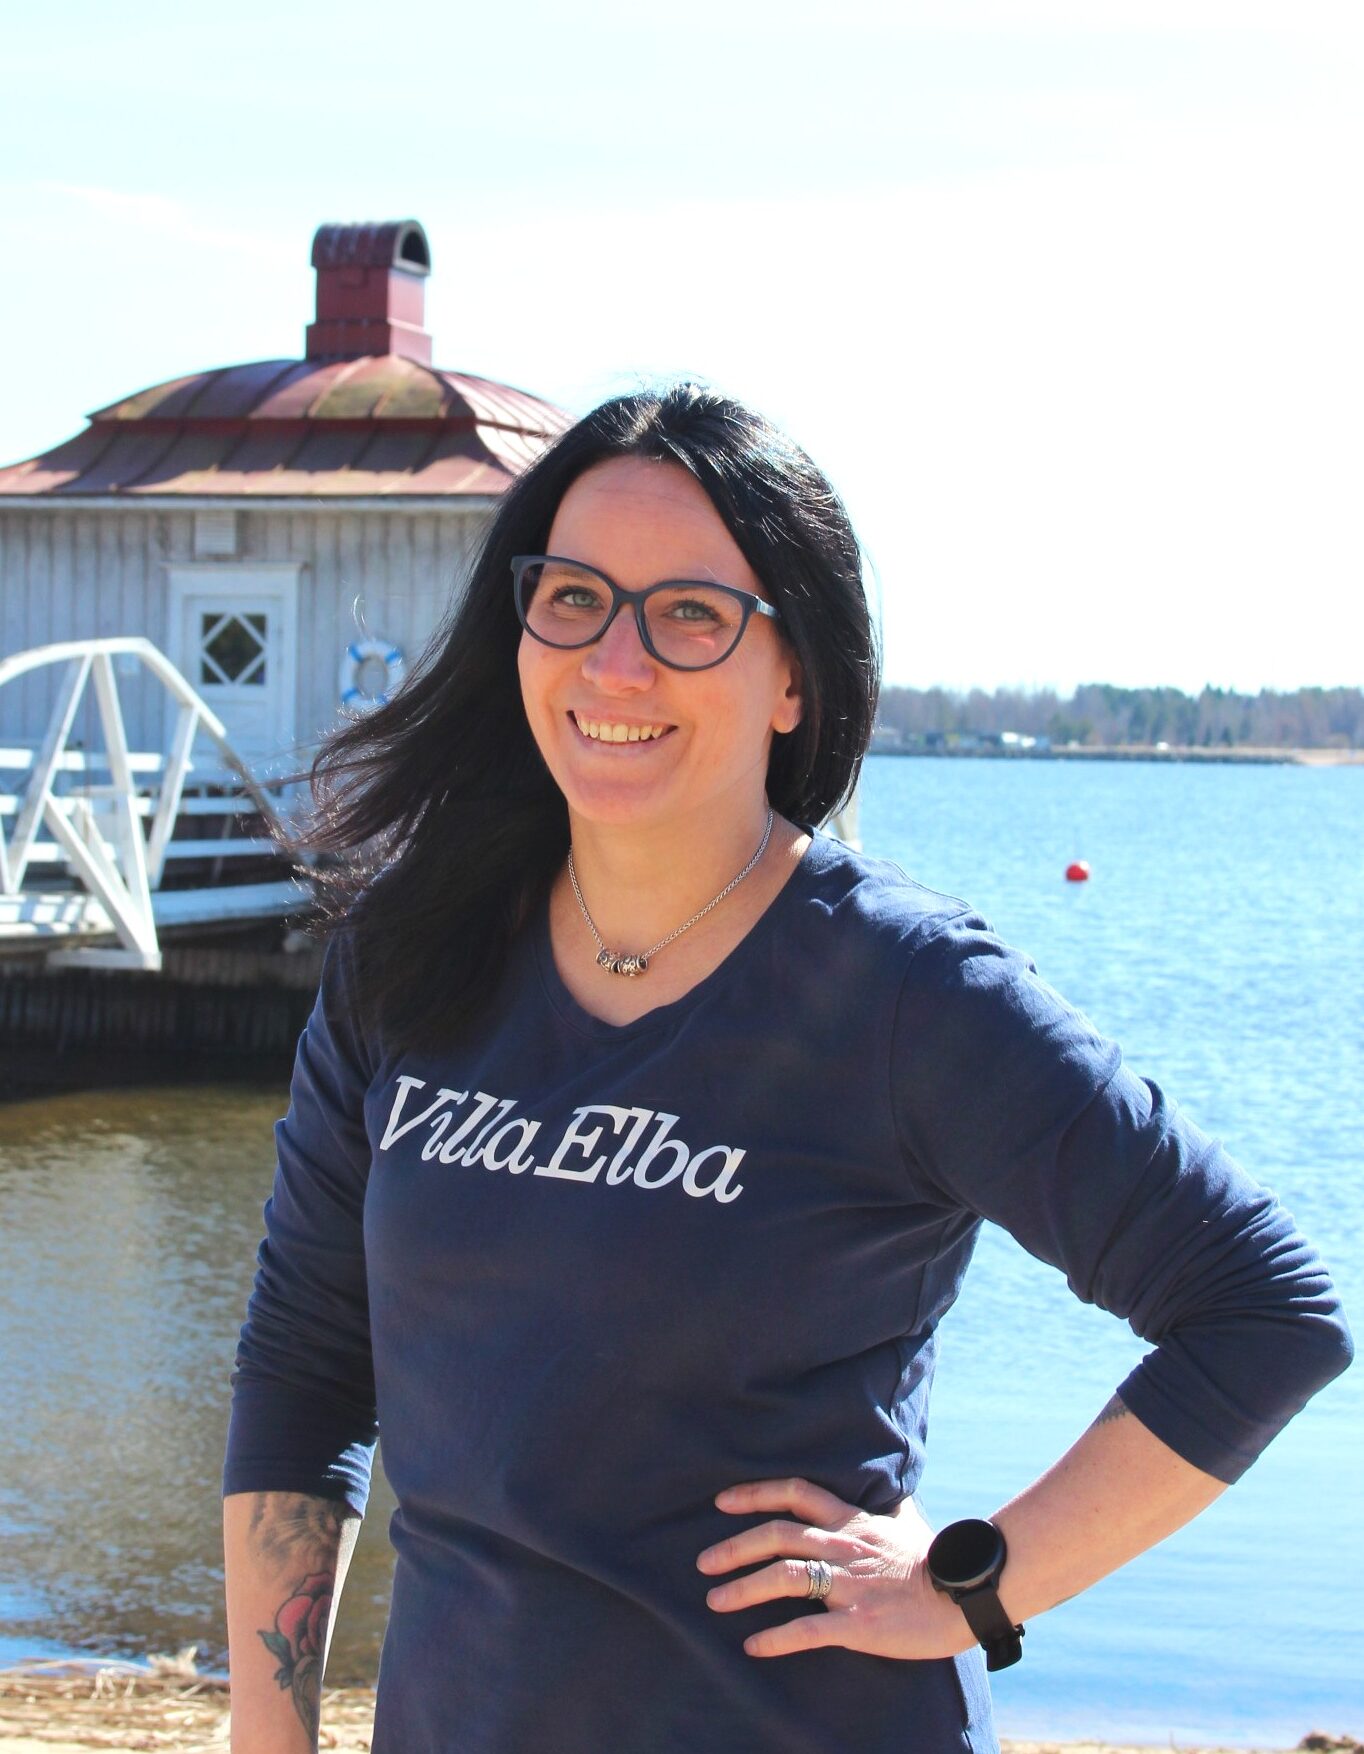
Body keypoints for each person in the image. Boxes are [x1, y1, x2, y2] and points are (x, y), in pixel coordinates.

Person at [223, 383, 1352, 1754]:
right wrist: (269, 1739)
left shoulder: (907, 991)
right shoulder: (411, 958)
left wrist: (975, 1585)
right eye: (573, 598)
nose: (616, 663)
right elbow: (305, 1367)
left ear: (796, 677)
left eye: (690, 614)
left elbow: (1262, 1312)